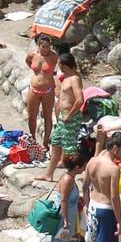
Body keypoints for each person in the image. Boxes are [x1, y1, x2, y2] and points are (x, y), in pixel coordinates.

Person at [42, 153, 88, 242]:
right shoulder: (68, 179)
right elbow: (63, 200)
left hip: (70, 216)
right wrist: (66, 221)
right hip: (64, 218)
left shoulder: (71, 177)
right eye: (83, 166)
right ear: (78, 167)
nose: (84, 169)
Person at [38, 53, 85, 182]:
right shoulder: (66, 78)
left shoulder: (74, 79)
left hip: (70, 117)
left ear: (64, 65)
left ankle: (74, 177)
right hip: (63, 118)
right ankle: (49, 174)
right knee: (56, 143)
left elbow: (80, 100)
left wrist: (69, 116)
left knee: (70, 148)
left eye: (60, 65)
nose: (59, 67)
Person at [25, 34, 58, 147]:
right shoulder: (33, 55)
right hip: (34, 89)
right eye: (43, 46)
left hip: (48, 90)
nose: (45, 49)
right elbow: (28, 61)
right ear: (38, 46)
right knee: (31, 116)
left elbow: (59, 69)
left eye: (48, 46)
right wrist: (35, 71)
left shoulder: (53, 57)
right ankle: (33, 138)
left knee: (47, 116)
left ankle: (45, 142)